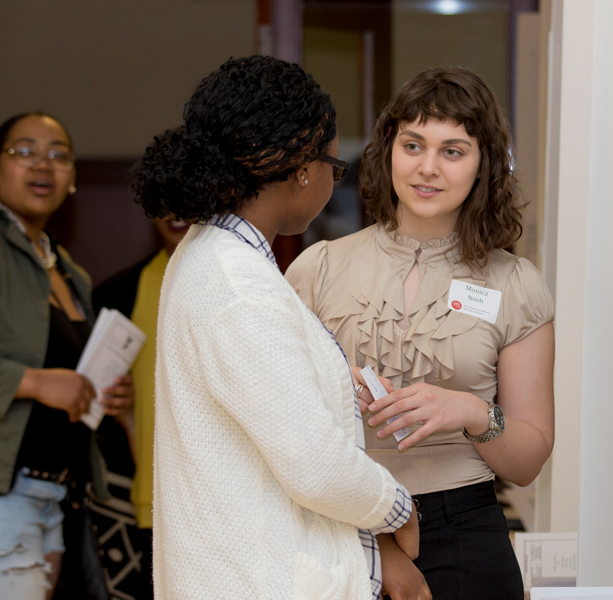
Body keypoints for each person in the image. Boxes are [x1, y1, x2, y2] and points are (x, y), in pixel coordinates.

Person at [130, 55, 418, 600]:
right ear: (302, 167)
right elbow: (314, 466)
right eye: (334, 167)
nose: (331, 180)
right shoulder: (238, 283)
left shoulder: (210, 253)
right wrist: (397, 507)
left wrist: (332, 385)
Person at [285, 66, 555, 600]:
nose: (428, 167)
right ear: (389, 150)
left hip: (465, 533)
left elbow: (527, 463)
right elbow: (282, 428)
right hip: (342, 529)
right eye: (413, 145)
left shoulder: (515, 282)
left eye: (452, 151)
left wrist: (472, 412)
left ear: (483, 164)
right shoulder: (318, 270)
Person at [0, 112, 133, 600]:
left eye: (58, 156)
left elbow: (72, 382)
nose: (43, 165)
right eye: (24, 151)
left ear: (72, 177)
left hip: (63, 494)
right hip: (8, 493)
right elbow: (43, 380)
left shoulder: (69, 271)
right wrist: (34, 382)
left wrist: (105, 394)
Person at [91, 216, 189, 600]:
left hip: (229, 502)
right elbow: (89, 404)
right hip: (148, 500)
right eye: (162, 197)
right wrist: (114, 406)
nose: (175, 209)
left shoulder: (248, 282)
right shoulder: (118, 293)